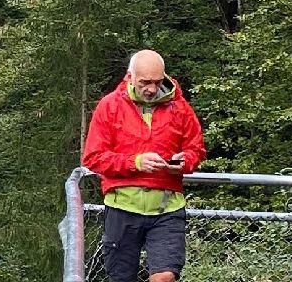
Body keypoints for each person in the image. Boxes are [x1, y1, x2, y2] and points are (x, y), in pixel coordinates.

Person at [82, 50, 206, 282]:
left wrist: (184, 162)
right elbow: (93, 158)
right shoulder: (109, 106)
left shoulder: (180, 108)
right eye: (145, 83)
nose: (151, 88)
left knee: (165, 277)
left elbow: (196, 151)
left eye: (157, 82)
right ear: (130, 77)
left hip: (167, 209)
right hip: (121, 209)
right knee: (120, 278)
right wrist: (135, 162)